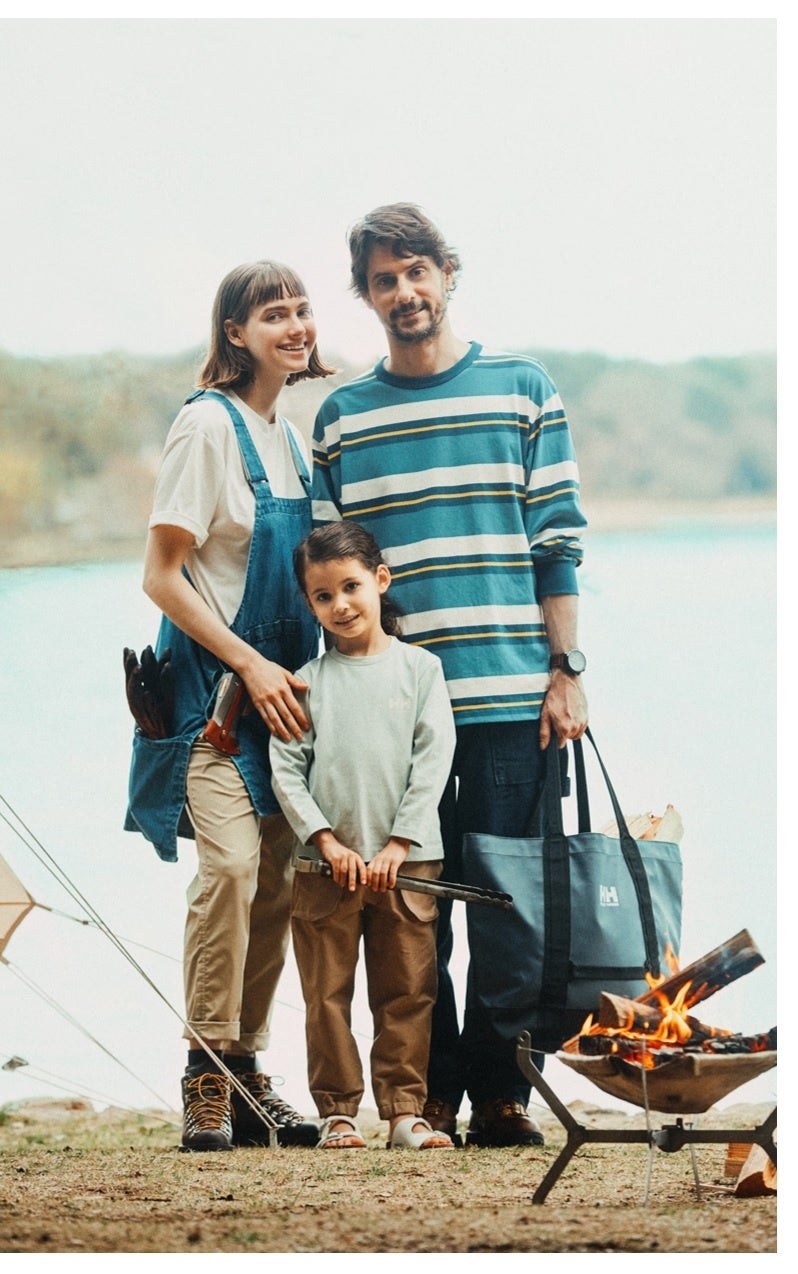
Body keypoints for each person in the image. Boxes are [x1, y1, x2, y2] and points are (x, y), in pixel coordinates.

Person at [311, 203, 589, 1148]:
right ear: (366, 296)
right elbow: (326, 570)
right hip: (389, 715)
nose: (404, 293)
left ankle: (502, 1094)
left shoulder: (523, 388)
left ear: (449, 274)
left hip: (514, 698)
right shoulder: (343, 418)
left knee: (507, 911)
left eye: (417, 272)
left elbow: (558, 543)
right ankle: (427, 1100)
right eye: (384, 279)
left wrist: (567, 670)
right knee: (413, 917)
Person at [125, 262, 333, 1152]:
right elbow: (161, 577)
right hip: (213, 700)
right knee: (233, 872)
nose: (292, 326)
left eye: (301, 310)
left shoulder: (288, 436)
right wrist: (248, 666)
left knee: (279, 887)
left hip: (286, 705)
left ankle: (248, 1080)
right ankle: (204, 1076)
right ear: (234, 333)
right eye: (271, 315)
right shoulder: (205, 428)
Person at [269, 522, 456, 1151]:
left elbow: (433, 761)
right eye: (323, 596)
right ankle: (338, 1112)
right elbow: (288, 771)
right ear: (310, 604)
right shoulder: (305, 682)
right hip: (326, 870)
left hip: (408, 867)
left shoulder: (421, 670)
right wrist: (326, 842)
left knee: (407, 989)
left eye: (351, 587)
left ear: (380, 580)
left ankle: (405, 1110)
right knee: (326, 993)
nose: (340, 605)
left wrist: (398, 845)